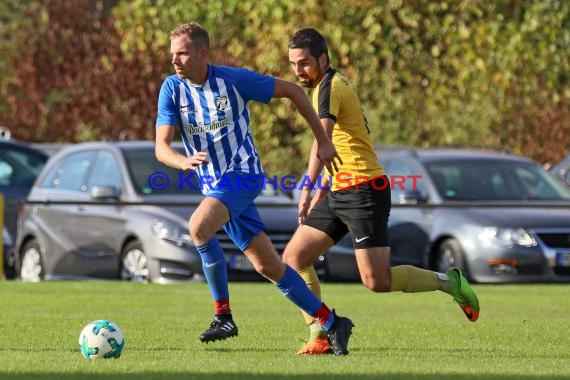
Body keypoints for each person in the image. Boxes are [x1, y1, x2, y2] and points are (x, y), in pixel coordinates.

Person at [154, 22, 354, 355]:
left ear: (202, 53)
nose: (175, 60)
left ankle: (223, 316)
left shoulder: (234, 81)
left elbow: (293, 91)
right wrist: (181, 161)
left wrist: (322, 141)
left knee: (198, 227)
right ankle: (332, 323)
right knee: (269, 266)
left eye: (183, 53)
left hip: (242, 175)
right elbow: (161, 147)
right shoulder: (172, 89)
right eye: (172, 54)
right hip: (215, 187)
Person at [283, 27, 480, 355]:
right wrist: (320, 193)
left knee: (377, 282)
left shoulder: (330, 86)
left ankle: (451, 283)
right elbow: (337, 149)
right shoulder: (322, 88)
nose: (298, 71)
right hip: (340, 189)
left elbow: (324, 142)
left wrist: (306, 188)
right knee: (293, 258)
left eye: (304, 63)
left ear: (323, 58)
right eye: (292, 64)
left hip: (364, 190)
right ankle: (321, 332)